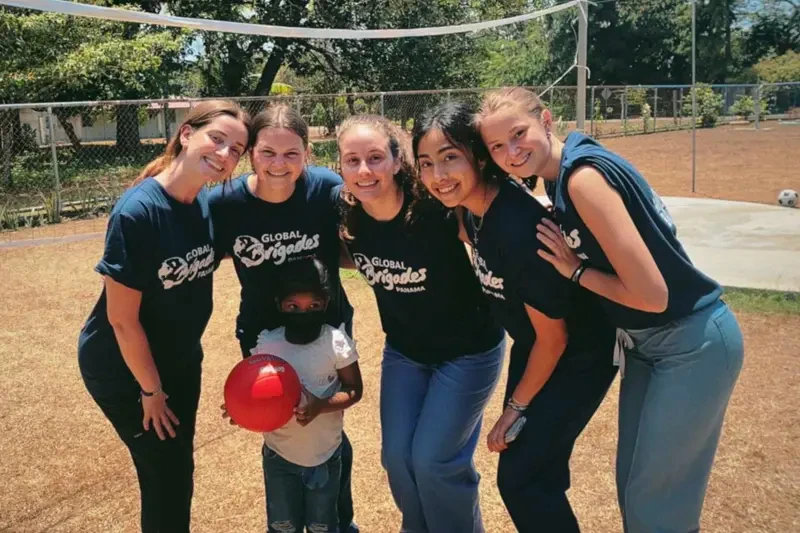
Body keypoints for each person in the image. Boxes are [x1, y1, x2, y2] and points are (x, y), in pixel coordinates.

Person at [475, 87, 744, 533]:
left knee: (657, 508)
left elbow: (653, 296)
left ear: (546, 120)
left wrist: (577, 271)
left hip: (690, 342)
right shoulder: (561, 174)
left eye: (519, 134)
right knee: (636, 492)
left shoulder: (581, 179)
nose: (511, 152)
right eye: (497, 146)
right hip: (646, 345)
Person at [413, 102, 617, 533]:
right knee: (536, 474)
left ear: (478, 157)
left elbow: (555, 338)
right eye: (426, 163)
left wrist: (514, 408)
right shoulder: (470, 210)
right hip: (535, 346)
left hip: (578, 356)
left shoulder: (519, 229)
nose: (438, 175)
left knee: (523, 479)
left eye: (450, 158)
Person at [77, 100, 250, 533]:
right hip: (126, 370)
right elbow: (121, 320)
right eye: (217, 139)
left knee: (176, 470)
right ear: (186, 134)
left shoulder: (203, 202)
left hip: (179, 360)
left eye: (236, 150)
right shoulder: (138, 212)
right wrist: (151, 391)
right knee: (166, 474)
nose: (225, 154)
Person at [336, 114, 506, 533]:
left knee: (434, 461)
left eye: (375, 157)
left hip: (468, 352)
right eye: (352, 160)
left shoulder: (437, 210)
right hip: (406, 352)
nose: (364, 170)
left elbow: (497, 214)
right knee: (397, 458)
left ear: (397, 161)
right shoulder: (346, 215)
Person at [208, 103, 358, 532]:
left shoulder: (326, 189)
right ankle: (285, 520)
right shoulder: (224, 202)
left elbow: (365, 235)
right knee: (280, 425)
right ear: (250, 153)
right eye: (268, 153)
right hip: (264, 336)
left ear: (307, 152)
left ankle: (339, 522)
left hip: (324, 327)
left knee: (327, 424)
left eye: (292, 153)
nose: (279, 164)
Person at [225, 257, 363, 533]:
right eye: (293, 306)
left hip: (325, 456)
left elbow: (354, 390)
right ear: (279, 305)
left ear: (326, 302)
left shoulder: (336, 343)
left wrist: (321, 405)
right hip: (279, 458)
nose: (304, 313)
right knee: (283, 528)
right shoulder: (268, 343)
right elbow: (251, 389)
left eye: (313, 306)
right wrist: (240, 408)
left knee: (322, 527)